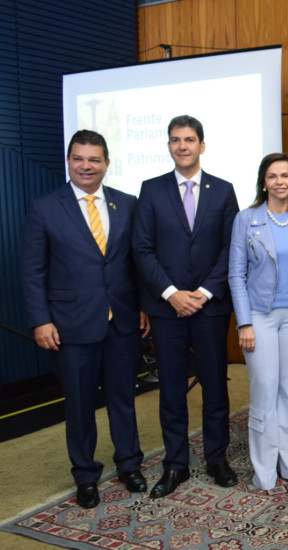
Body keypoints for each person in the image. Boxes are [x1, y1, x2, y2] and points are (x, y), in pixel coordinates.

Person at [21, 130, 150, 508]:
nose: (86, 166)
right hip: (70, 324)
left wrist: (142, 304)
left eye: (94, 159)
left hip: (122, 322)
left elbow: (135, 262)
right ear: (69, 161)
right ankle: (86, 476)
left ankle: (129, 464)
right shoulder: (44, 207)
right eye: (79, 158)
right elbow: (32, 271)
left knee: (123, 399)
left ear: (107, 164)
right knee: (79, 405)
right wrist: (40, 321)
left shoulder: (126, 204)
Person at [133, 114, 240, 498]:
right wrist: (172, 293)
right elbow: (141, 248)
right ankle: (175, 464)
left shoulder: (224, 190)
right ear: (168, 146)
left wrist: (205, 292)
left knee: (215, 387)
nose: (183, 145)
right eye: (175, 139)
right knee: (171, 391)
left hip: (210, 308)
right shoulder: (151, 190)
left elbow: (232, 247)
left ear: (202, 145)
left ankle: (216, 459)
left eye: (190, 139)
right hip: (167, 310)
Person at [228, 153, 288, 490]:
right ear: (263, 182)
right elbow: (236, 274)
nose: (279, 182)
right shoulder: (246, 219)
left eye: (285, 175)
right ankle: (264, 471)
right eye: (272, 176)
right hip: (260, 318)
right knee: (264, 389)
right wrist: (244, 323)